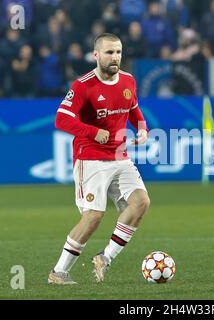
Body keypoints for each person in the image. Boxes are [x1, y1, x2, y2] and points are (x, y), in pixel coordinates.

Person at [48, 33, 150, 284]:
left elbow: (133, 107)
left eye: (118, 52)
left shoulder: (128, 80)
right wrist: (93, 131)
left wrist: (143, 127)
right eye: (109, 52)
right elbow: (61, 119)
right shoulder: (83, 86)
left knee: (141, 203)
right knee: (93, 216)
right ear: (96, 55)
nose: (115, 57)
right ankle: (58, 272)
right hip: (91, 158)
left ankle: (105, 257)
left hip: (120, 156)